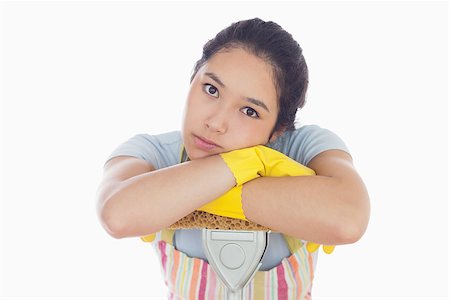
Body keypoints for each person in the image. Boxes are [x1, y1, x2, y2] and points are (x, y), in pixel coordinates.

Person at [97, 18, 370, 299]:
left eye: (249, 111)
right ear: (193, 79)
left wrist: (172, 194)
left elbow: (347, 219)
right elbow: (117, 215)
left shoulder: (304, 148)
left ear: (278, 130)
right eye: (211, 89)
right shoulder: (153, 152)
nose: (216, 123)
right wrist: (247, 163)